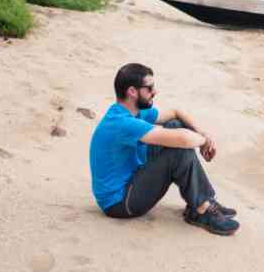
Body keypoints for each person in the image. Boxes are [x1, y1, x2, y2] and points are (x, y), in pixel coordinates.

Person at [88, 62, 239, 235]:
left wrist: (201, 133)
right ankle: (201, 209)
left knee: (174, 125)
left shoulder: (132, 111)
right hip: (120, 202)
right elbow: (183, 140)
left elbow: (176, 112)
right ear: (132, 92)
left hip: (132, 177)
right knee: (178, 150)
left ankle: (200, 201)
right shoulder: (122, 123)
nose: (155, 92)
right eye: (149, 88)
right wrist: (204, 140)